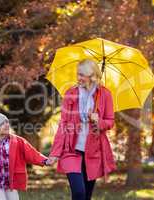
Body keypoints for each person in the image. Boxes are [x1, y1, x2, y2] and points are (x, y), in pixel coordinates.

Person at [47, 59, 116, 200]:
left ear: (92, 76)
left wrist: (98, 121)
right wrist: (55, 153)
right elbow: (63, 124)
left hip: (93, 152)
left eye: (83, 75)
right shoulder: (70, 93)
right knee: (79, 193)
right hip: (71, 150)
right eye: (78, 74)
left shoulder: (104, 95)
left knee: (87, 195)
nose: (79, 78)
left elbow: (110, 122)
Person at [0, 113, 50, 200]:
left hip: (11, 182)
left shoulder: (17, 141)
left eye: (7, 122)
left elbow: (32, 153)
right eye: (2, 123)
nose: (6, 125)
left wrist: (45, 160)